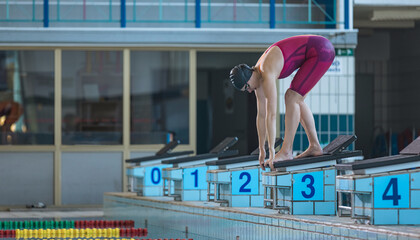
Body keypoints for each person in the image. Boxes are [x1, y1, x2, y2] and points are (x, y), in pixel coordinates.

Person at [229, 35, 335, 171]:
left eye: (247, 88)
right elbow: (261, 116)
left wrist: (273, 151)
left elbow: (272, 115)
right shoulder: (257, 78)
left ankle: (286, 151)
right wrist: (262, 150)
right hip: (315, 51)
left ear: (248, 80)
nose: (249, 91)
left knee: (291, 97)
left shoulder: (265, 71)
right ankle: (314, 145)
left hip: (320, 50)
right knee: (296, 98)